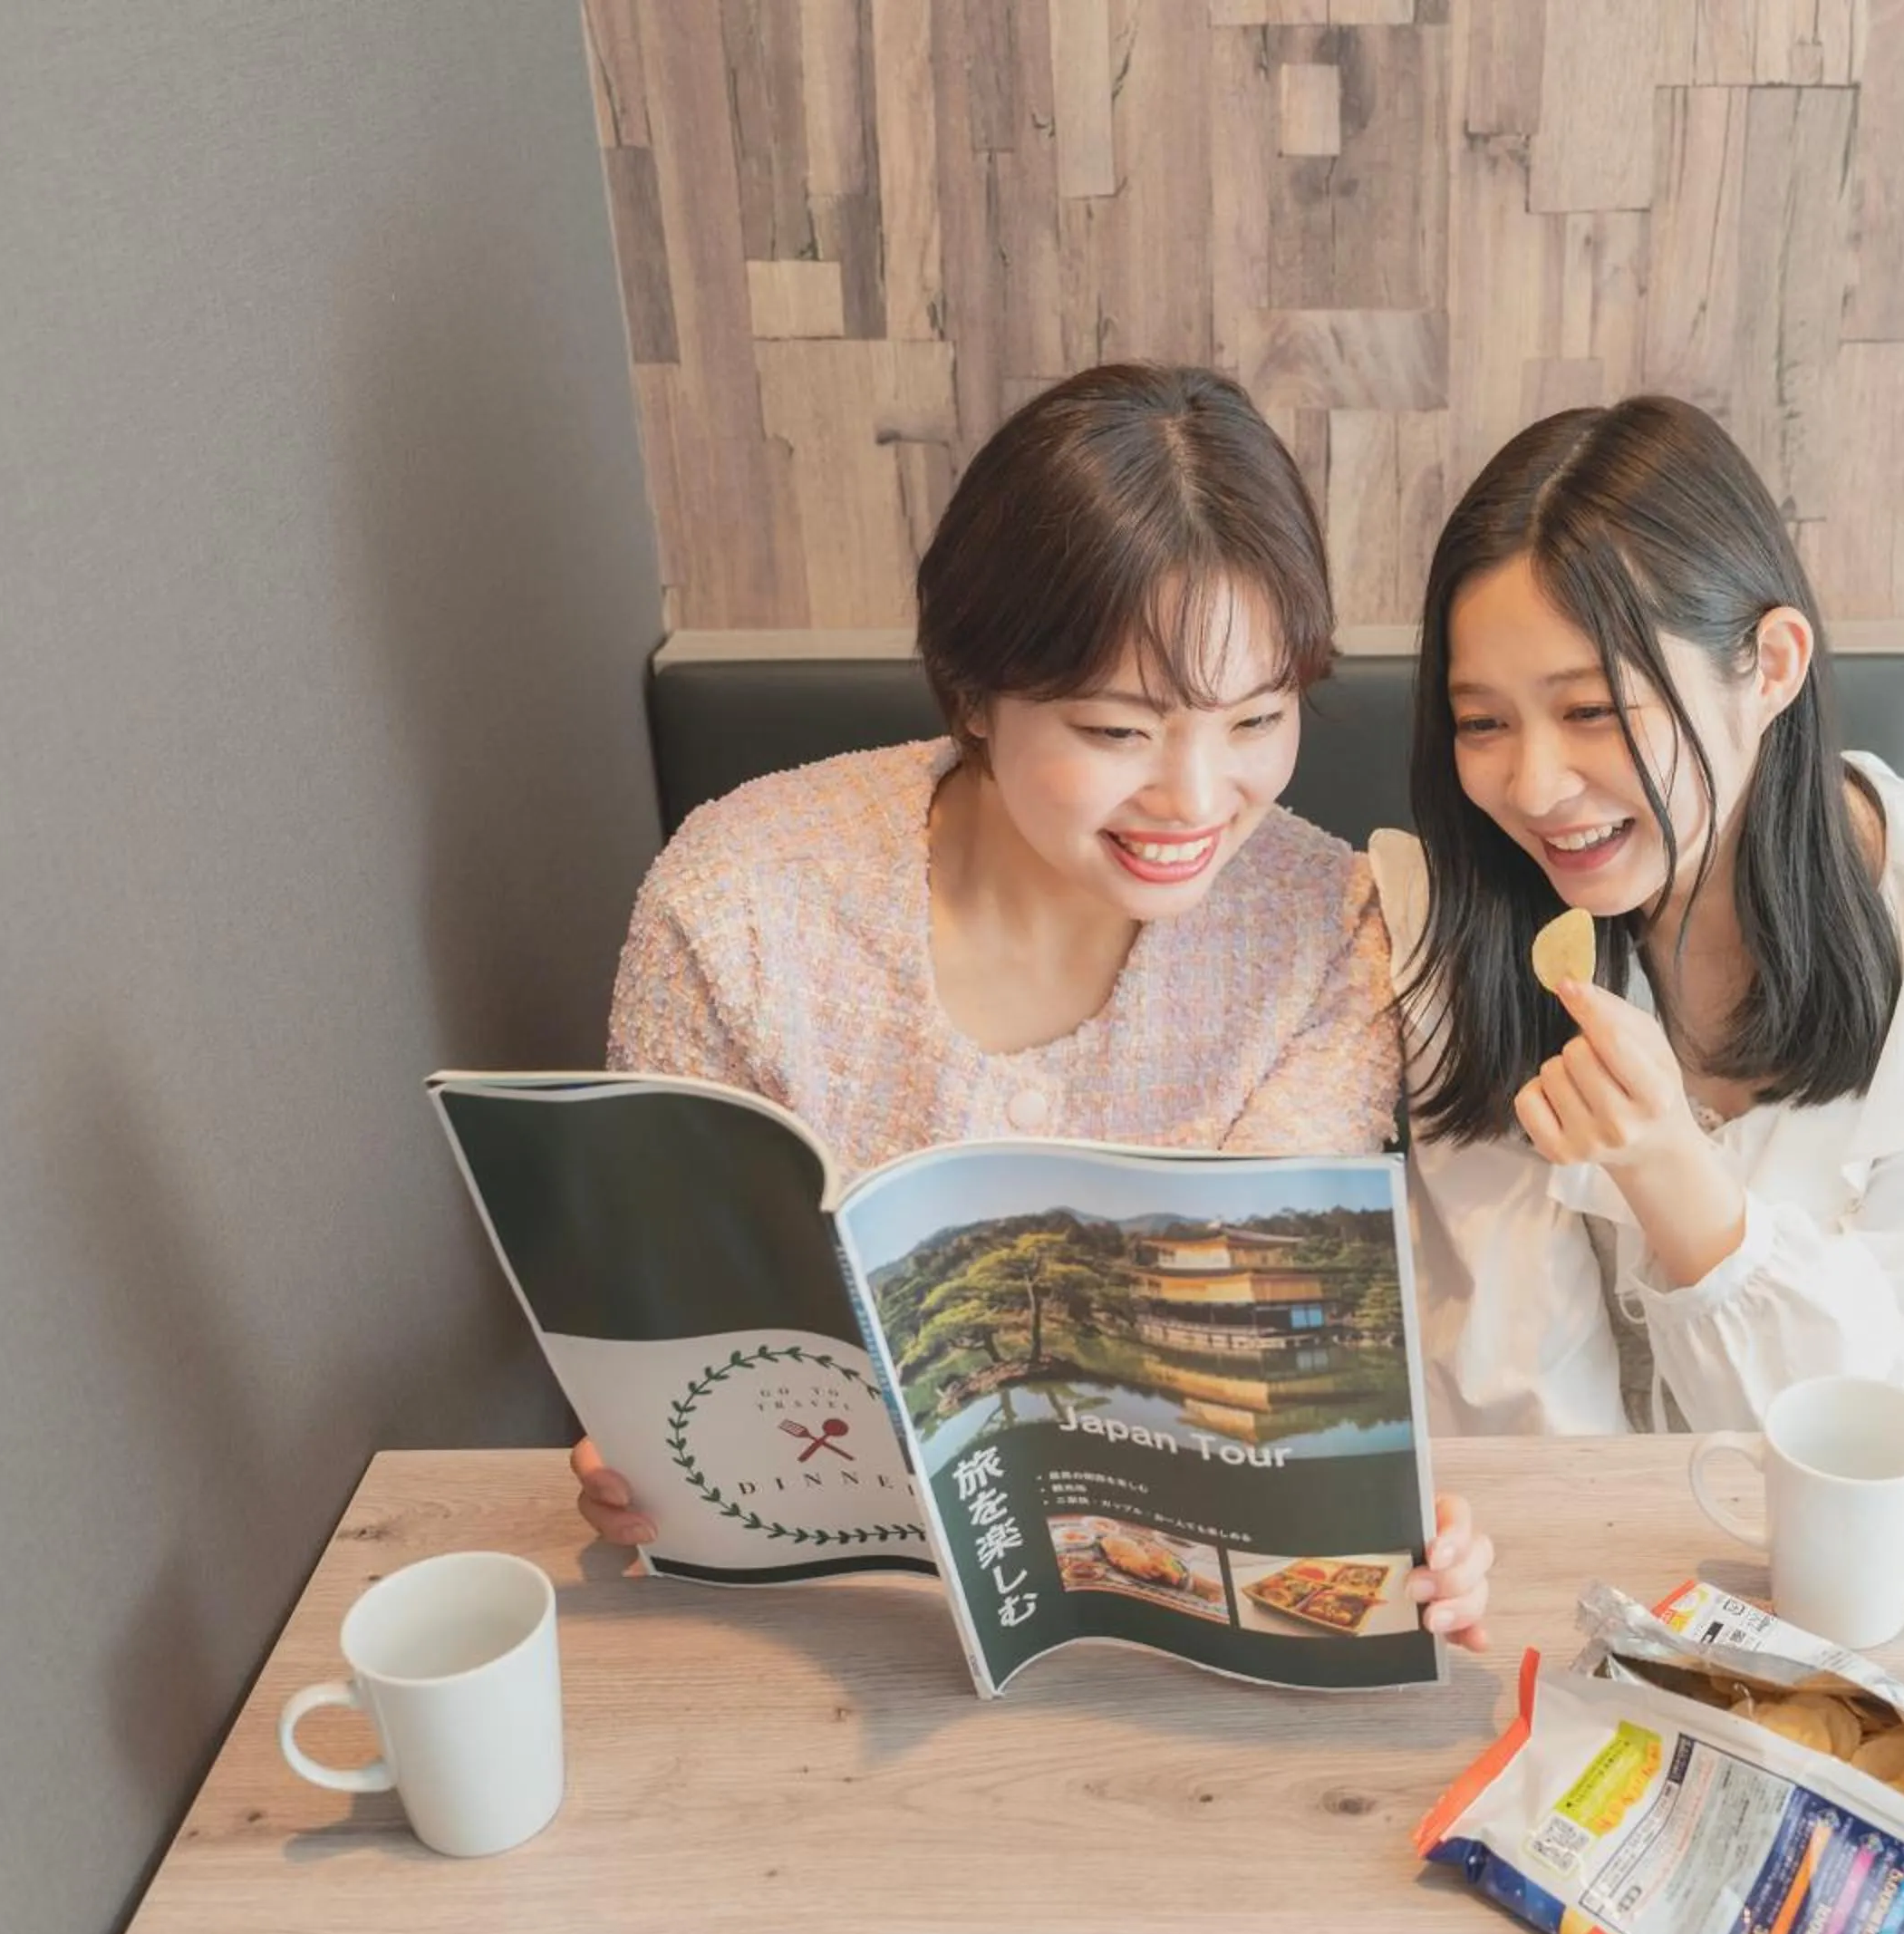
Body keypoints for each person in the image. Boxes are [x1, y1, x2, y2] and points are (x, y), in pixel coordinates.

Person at [575, 363, 1493, 1642]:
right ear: (973, 695)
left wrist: (1378, 1536)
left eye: (1258, 718)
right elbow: (680, 1324)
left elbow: (1261, 1384)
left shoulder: (1326, 933)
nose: (1198, 797)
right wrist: (641, 1457)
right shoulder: (736, 905)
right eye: (1120, 731)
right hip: (820, 1621)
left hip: (1161, 1628)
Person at [1377, 395, 1904, 1446]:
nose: (1535, 785)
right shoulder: (1454, 917)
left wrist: (1671, 1168)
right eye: (1482, 722)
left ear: (1771, 664)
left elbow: (1885, 1444)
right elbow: (1510, 1374)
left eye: (1592, 708)